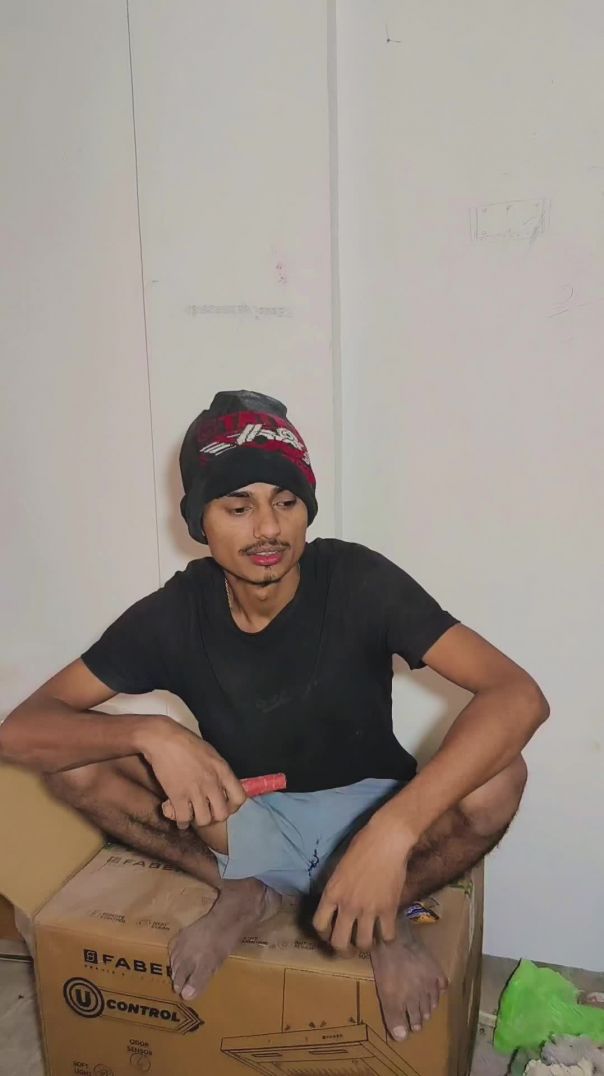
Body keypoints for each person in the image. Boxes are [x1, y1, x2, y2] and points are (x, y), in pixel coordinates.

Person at [0, 389, 549, 1043]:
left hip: (371, 808)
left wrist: (393, 831)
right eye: (238, 507)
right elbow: (22, 731)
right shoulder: (175, 612)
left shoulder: (358, 579)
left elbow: (517, 694)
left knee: (500, 776)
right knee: (73, 763)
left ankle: (384, 918)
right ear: (200, 520)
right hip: (244, 818)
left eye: (286, 503)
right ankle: (243, 890)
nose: (268, 529)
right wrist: (151, 732)